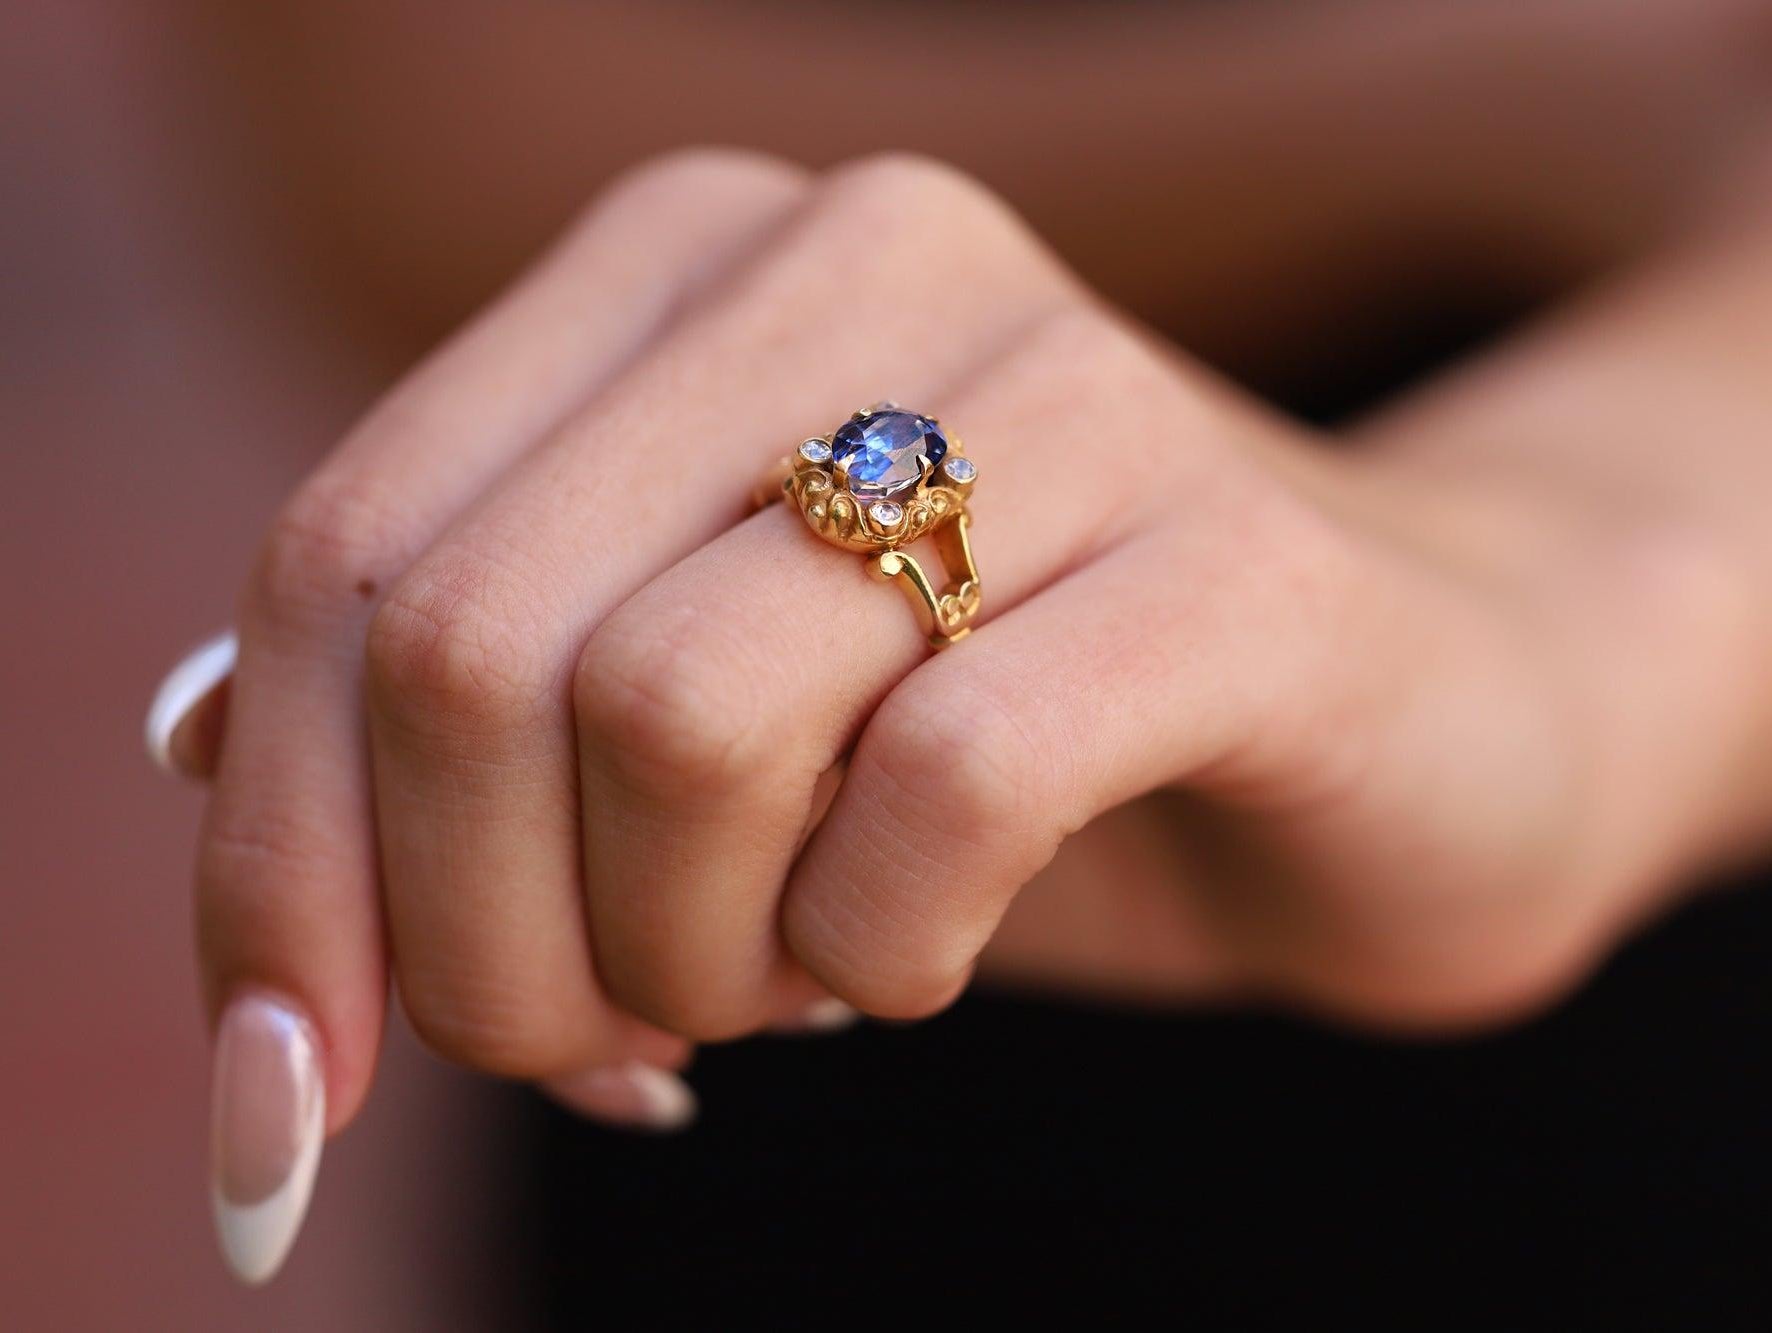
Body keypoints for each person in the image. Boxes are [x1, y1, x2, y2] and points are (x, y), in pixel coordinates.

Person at [138, 0, 1772, 1305]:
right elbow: (411, 146)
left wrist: (1585, 600)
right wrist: (1487, 83)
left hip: (1611, 879)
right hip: (747, 824)